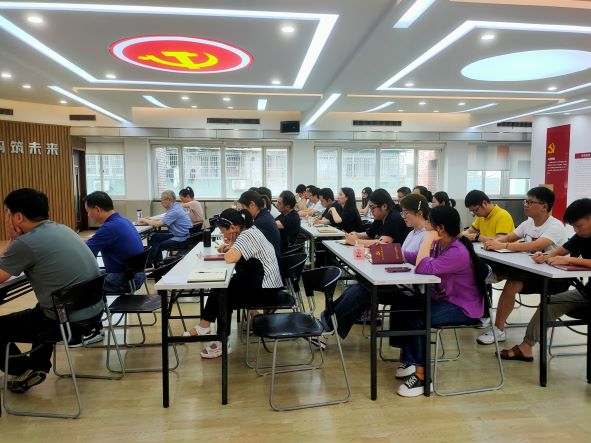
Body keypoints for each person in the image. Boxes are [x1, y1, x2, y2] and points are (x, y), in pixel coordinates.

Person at [0, 188, 102, 393]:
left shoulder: (26, 243)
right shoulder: (62, 228)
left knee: (41, 313)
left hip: (67, 321)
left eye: (7, 213)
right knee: (42, 308)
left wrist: (13, 241)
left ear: (18, 217)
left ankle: (23, 370)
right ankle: (37, 366)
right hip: (94, 313)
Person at [393, 206, 488, 397]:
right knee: (403, 305)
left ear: (441, 228)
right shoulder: (440, 244)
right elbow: (416, 258)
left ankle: (422, 377)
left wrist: (427, 239)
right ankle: (412, 360)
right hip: (443, 299)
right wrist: (390, 254)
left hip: (462, 307)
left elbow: (423, 267)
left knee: (418, 319)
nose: (426, 226)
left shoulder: (457, 251)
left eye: (430, 223)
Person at [318, 193, 430, 341]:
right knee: (357, 287)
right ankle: (326, 319)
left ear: (419, 213)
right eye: (403, 212)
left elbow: (417, 262)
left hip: (409, 289)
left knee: (362, 292)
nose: (403, 216)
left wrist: (360, 243)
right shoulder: (412, 233)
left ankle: (328, 327)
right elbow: (400, 256)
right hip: (397, 279)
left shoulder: (427, 236)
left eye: (406, 213)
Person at [497, 198, 591, 361]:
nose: (576, 230)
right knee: (549, 303)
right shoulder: (582, 236)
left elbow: (567, 258)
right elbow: (561, 250)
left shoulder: (556, 226)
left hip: (579, 291)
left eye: (579, 225)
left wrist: (569, 260)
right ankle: (526, 347)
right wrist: (545, 255)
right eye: (574, 227)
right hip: (587, 293)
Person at [183, 209, 283, 358]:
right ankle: (206, 327)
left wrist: (232, 246)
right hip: (263, 283)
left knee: (224, 293)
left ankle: (219, 340)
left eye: (224, 232)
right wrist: (232, 246)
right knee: (222, 286)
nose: (224, 236)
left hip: (266, 289)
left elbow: (230, 258)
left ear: (233, 227)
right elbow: (238, 253)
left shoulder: (247, 235)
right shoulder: (250, 231)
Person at [477, 187, 568, 344]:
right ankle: (498, 329)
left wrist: (503, 246)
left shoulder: (555, 226)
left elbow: (536, 246)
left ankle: (492, 277)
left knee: (513, 280)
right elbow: (510, 237)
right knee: (513, 280)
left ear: (544, 206)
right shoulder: (529, 223)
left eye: (530, 202)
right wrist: (494, 242)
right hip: (531, 272)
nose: (525, 205)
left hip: (554, 278)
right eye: (525, 201)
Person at [85, 191, 145, 295]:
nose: (88, 215)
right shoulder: (125, 221)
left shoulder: (108, 228)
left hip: (124, 279)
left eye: (88, 211)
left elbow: (85, 253)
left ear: (97, 209)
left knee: (77, 288)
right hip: (137, 275)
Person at [139, 190, 192, 266]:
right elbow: (165, 219)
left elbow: (158, 224)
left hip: (182, 239)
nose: (161, 202)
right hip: (182, 235)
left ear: (169, 199)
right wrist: (150, 219)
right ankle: (151, 262)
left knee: (158, 245)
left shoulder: (174, 211)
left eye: (162, 199)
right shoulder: (176, 207)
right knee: (155, 236)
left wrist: (143, 220)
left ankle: (155, 264)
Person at [344, 188, 410, 247]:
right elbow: (369, 234)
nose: (371, 211)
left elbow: (382, 244)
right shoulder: (380, 217)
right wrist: (356, 234)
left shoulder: (394, 218)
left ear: (384, 206)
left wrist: (356, 241)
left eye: (372, 208)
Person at [238, 190, 280, 256]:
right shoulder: (264, 215)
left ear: (252, 204)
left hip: (269, 259)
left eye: (243, 207)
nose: (243, 212)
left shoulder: (260, 222)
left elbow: (246, 246)